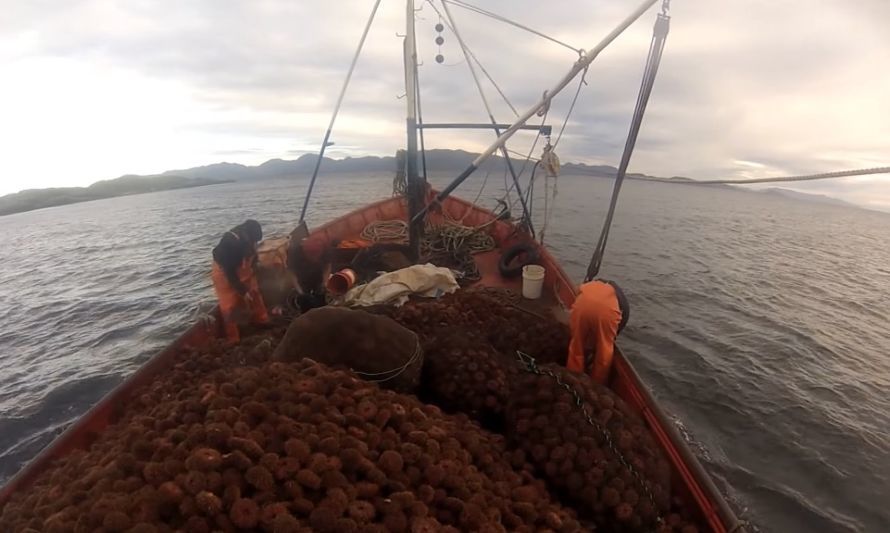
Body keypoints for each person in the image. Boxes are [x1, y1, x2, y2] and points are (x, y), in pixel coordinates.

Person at [211, 219, 269, 343]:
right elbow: (230, 273)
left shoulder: (248, 236)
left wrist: (256, 267)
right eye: (254, 241)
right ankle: (234, 339)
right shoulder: (230, 244)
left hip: (241, 267)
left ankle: (262, 321)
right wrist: (243, 291)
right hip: (225, 272)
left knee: (254, 292)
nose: (255, 243)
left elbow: (253, 257)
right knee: (230, 305)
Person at [566, 279, 630, 385]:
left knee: (576, 343)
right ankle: (597, 383)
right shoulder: (623, 306)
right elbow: (614, 331)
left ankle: (573, 376)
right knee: (604, 350)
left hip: (582, 304)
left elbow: (575, 290)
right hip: (608, 312)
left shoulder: (591, 284)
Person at [287, 235, 332, 311]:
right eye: (311, 255)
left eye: (317, 255)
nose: (314, 258)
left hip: (317, 274)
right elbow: (291, 273)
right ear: (305, 251)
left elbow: (327, 266)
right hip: (301, 276)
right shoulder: (295, 252)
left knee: (320, 296)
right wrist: (299, 291)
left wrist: (324, 283)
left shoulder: (325, 248)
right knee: (305, 301)